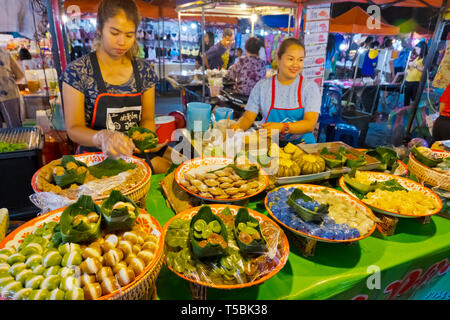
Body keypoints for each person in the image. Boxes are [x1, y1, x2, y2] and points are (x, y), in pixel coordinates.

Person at [61, 0, 172, 174]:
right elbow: (74, 129)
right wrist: (102, 137)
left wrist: (146, 139)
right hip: (94, 160)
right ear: (99, 29)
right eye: (115, 33)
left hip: (134, 157)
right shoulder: (78, 71)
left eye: (129, 35)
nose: (122, 42)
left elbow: (148, 119)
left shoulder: (144, 71)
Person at [230, 37, 321, 145]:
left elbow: (310, 124)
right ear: (278, 59)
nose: (296, 64)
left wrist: (281, 127)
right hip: (271, 145)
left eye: (300, 60)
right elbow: (248, 117)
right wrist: (238, 127)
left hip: (303, 146)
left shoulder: (309, 88)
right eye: (291, 59)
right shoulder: (262, 87)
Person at [0, 47, 25, 128]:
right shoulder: (5, 53)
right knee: (15, 128)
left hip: (8, 94)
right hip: (9, 94)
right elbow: (20, 75)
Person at [404, 41, 427, 107]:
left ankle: (412, 113)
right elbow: (410, 68)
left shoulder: (424, 58)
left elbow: (424, 69)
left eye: (417, 49)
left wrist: (415, 65)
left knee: (413, 99)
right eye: (415, 49)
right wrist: (408, 64)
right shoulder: (417, 57)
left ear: (422, 49)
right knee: (406, 99)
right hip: (408, 80)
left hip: (415, 81)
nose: (416, 50)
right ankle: (406, 113)